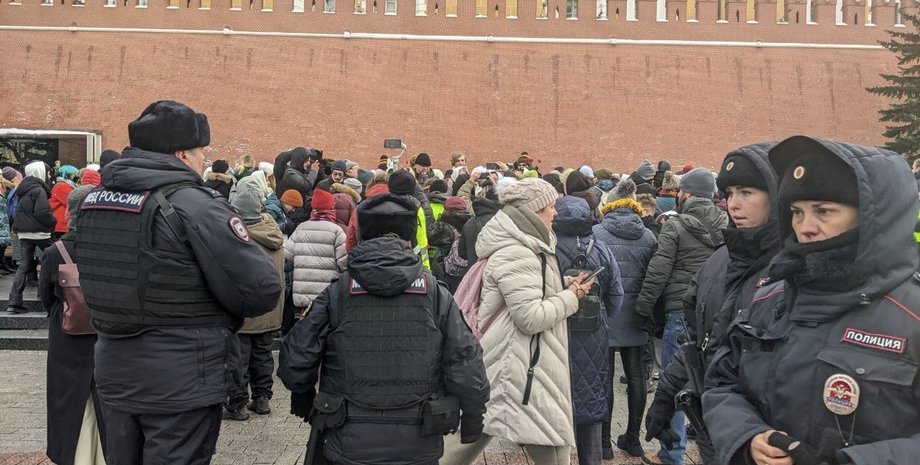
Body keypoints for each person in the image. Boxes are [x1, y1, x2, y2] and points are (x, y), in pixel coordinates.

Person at [74, 100, 281, 464]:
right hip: (183, 377)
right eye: (201, 152)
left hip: (114, 370)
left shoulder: (95, 202)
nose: (203, 161)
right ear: (182, 153)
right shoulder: (195, 205)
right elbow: (260, 288)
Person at [703, 135, 920, 465]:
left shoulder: (910, 313)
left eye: (823, 211)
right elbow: (722, 381)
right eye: (796, 212)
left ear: (873, 215)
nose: (805, 227)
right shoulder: (771, 296)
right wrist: (747, 436)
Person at [278, 193, 490, 465]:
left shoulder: (338, 292)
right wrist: (473, 416)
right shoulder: (435, 294)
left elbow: (296, 359)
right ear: (411, 239)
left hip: (348, 438)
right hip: (419, 440)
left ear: (361, 236)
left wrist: (303, 397)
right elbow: (465, 359)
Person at [441, 178, 595, 465]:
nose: (555, 212)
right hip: (520, 366)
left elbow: (523, 292)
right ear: (533, 211)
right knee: (550, 444)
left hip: (516, 361)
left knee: (471, 435)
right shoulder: (519, 251)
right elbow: (530, 317)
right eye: (551, 206)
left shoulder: (523, 244)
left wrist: (562, 285)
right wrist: (571, 297)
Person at [644, 143, 781, 465]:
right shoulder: (720, 260)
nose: (734, 204)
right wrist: (666, 395)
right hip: (715, 435)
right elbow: (698, 341)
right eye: (730, 193)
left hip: (765, 443)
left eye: (747, 192)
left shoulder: (794, 269)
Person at [636, 168, 728, 465]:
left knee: (673, 382)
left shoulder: (674, 226)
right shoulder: (727, 223)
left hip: (680, 310)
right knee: (715, 382)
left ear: (686, 194)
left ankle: (672, 453)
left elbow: (659, 270)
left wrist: (644, 307)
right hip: (719, 312)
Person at [553, 194, 624, 465]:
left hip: (555, 330)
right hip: (594, 333)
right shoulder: (601, 248)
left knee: (554, 399)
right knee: (591, 397)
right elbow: (616, 294)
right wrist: (601, 317)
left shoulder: (547, 246)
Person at [593, 178, 658, 460]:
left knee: (604, 378)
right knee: (636, 377)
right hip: (637, 313)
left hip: (606, 312)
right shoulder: (648, 236)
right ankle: (633, 439)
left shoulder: (597, 232)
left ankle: (604, 443)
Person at [42, 185, 105, 465]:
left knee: (66, 399)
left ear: (70, 212)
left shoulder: (55, 252)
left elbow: (47, 298)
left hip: (67, 336)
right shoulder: (110, 248)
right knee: (106, 399)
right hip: (105, 333)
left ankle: (72, 455)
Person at [223, 189, 286, 421]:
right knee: (263, 355)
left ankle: (237, 403)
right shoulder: (273, 232)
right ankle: (262, 399)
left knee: (238, 359)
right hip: (271, 310)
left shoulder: (239, 238)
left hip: (244, 311)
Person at [284, 188, 347, 314]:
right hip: (326, 294)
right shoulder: (336, 231)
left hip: (302, 294)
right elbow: (344, 261)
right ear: (331, 208)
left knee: (304, 324)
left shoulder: (301, 228)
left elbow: (287, 254)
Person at [6, 161, 55, 314]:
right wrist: (53, 222)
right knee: (51, 260)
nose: (48, 176)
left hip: (24, 232)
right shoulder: (39, 190)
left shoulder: (23, 189)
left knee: (24, 266)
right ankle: (46, 297)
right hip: (40, 232)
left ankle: (14, 302)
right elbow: (42, 212)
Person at [50, 165, 78, 241]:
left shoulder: (64, 185)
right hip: (61, 226)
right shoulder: (62, 186)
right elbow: (73, 201)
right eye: (74, 176)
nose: (76, 178)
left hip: (62, 226)